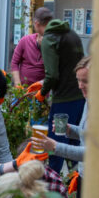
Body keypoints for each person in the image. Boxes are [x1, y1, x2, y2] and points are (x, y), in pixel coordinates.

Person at [34, 56, 90, 198]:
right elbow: (88, 135)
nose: (80, 86)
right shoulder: (89, 101)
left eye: (85, 81)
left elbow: (92, 153)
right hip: (84, 175)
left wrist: (55, 147)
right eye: (78, 80)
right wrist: (70, 130)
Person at [36, 12, 85, 172]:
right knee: (75, 140)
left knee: (55, 139)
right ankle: (74, 177)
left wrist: (42, 93)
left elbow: (52, 74)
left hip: (63, 100)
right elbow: (78, 66)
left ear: (37, 24)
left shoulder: (49, 39)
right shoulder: (72, 35)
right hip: (81, 97)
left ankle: (53, 178)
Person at [10, 7, 51, 86]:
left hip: (41, 91)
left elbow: (53, 72)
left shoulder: (52, 45)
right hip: (22, 90)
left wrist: (46, 48)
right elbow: (14, 63)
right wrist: (18, 84)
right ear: (37, 25)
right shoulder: (25, 40)